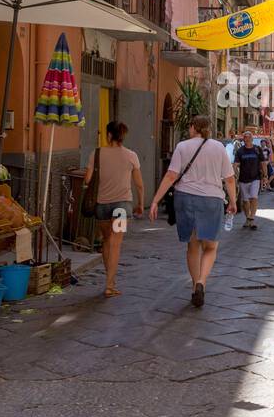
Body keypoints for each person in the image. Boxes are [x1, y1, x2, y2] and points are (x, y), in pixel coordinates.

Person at [149, 114, 236, 307]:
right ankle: (201, 282)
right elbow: (229, 179)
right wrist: (233, 201)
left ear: (193, 127)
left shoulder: (182, 147)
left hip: (185, 198)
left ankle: (195, 285)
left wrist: (155, 200)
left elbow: (171, 175)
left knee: (192, 245)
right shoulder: (219, 148)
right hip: (212, 200)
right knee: (210, 247)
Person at [83, 120, 144, 297]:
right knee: (116, 243)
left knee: (106, 240)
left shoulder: (96, 154)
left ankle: (109, 280)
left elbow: (87, 179)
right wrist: (140, 204)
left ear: (109, 135)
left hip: (102, 205)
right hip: (122, 207)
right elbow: (139, 184)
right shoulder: (131, 156)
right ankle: (110, 285)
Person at [235, 129, 266, 229]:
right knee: (245, 201)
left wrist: (265, 176)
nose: (247, 139)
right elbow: (236, 164)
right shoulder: (240, 151)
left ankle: (252, 218)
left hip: (255, 178)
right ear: (243, 139)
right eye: (245, 137)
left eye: (249, 137)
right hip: (243, 178)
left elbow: (263, 163)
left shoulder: (257, 149)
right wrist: (234, 173)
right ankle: (247, 218)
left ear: (252, 139)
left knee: (253, 197)